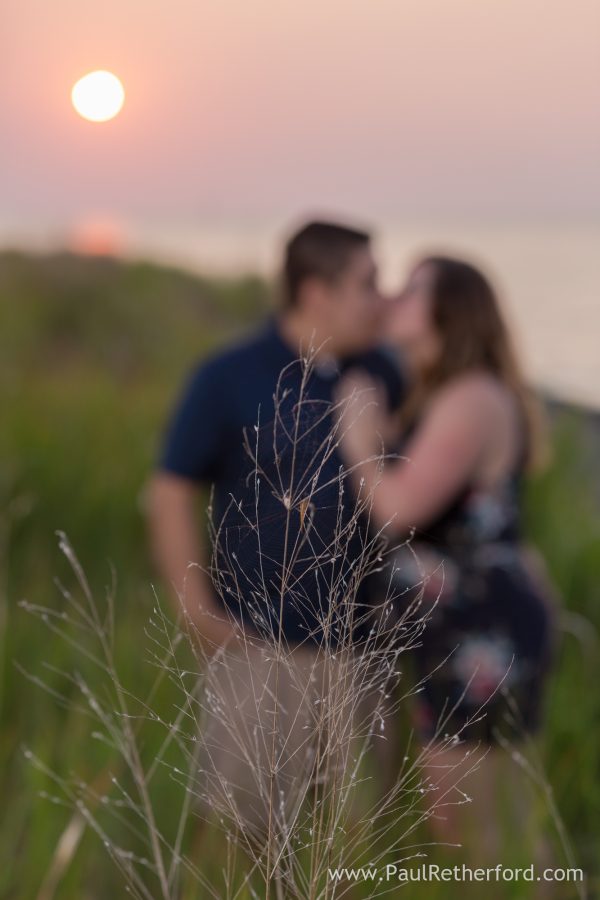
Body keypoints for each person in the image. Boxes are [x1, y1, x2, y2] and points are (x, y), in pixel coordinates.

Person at [146, 220, 404, 839]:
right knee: (245, 842)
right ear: (316, 292)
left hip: (366, 654)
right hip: (260, 650)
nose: (382, 298)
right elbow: (170, 489)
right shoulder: (230, 375)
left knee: (356, 847)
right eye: (368, 283)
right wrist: (193, 607)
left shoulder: (385, 373)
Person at [335, 255, 559, 863]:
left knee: (483, 830)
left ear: (448, 311)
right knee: (474, 822)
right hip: (453, 632)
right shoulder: (446, 393)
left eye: (412, 290)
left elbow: (399, 508)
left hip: (478, 634)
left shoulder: (470, 396)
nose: (393, 300)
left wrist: (358, 439)